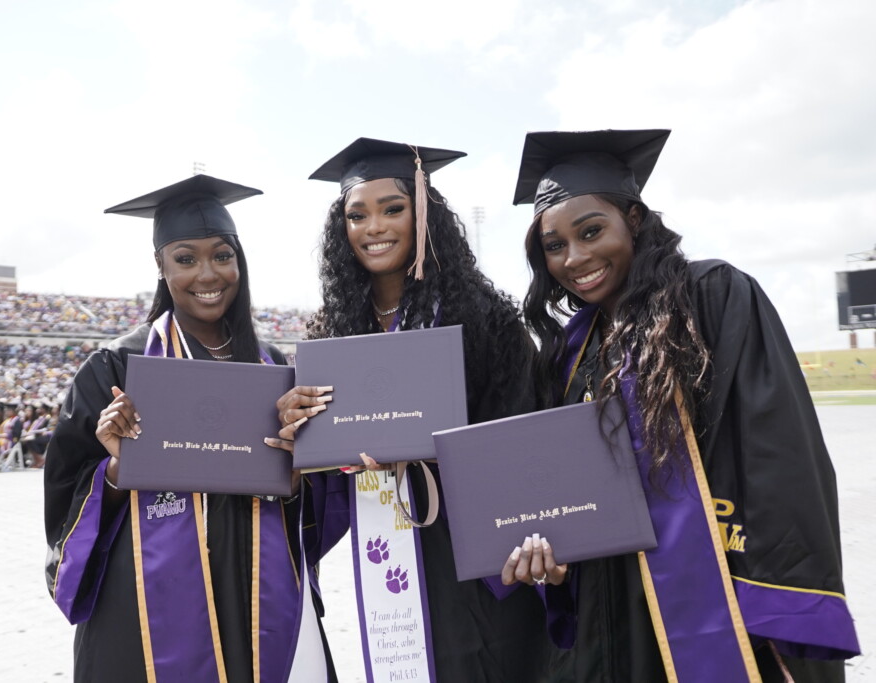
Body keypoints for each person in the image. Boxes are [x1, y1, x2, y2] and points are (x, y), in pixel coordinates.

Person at [501, 129, 860, 682]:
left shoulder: (709, 296)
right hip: (611, 597)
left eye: (592, 231)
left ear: (635, 220)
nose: (576, 257)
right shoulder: (572, 349)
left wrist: (773, 601)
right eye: (555, 246)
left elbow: (777, 452)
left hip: (715, 581)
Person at [270, 139, 548, 682]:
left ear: (423, 213)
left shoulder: (487, 321)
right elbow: (319, 486)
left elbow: (525, 438)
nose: (373, 226)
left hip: (479, 552)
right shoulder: (333, 336)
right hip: (386, 538)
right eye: (357, 215)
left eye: (392, 209)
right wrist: (297, 436)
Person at [43, 174, 337, 682]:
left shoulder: (274, 369)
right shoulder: (116, 366)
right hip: (146, 600)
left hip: (259, 589)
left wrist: (297, 472)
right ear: (160, 265)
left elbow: (307, 499)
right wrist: (116, 467)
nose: (208, 273)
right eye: (185, 258)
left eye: (223, 256)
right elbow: (67, 492)